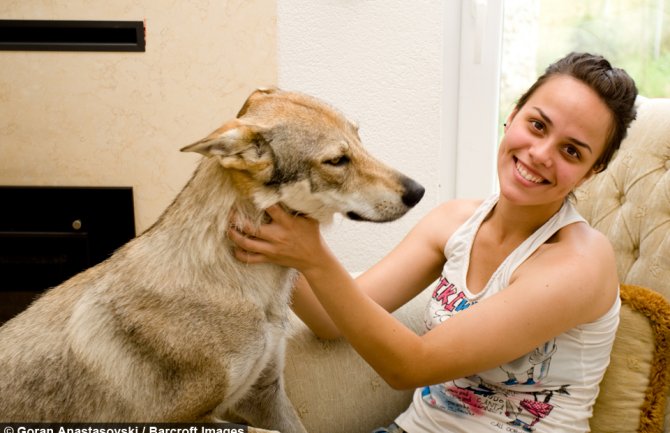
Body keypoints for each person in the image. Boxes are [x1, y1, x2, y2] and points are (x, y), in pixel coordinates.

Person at [227, 52, 638, 433]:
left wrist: (313, 257)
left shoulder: (581, 261)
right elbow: (331, 321)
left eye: (571, 151)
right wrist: (276, 238)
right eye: (537, 125)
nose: (540, 154)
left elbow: (410, 366)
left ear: (592, 170)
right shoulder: (454, 222)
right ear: (512, 116)